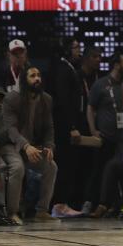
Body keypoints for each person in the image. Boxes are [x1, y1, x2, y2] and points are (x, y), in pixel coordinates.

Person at [0, 67, 59, 225]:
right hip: (10, 143)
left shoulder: (46, 99)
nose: (37, 79)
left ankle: (42, 211)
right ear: (24, 80)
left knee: (51, 167)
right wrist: (26, 146)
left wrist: (49, 146)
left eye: (39, 75)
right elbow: (11, 129)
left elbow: (49, 127)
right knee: (17, 167)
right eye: (32, 76)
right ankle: (12, 212)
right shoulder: (12, 98)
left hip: (31, 145)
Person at [86, 53, 123, 216]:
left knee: (122, 169)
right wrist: (93, 130)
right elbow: (90, 108)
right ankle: (98, 203)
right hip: (105, 137)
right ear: (116, 65)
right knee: (101, 170)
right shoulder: (100, 84)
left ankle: (115, 205)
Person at [49, 38, 87, 218]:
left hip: (69, 125)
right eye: (76, 47)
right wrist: (71, 126)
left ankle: (63, 203)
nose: (80, 50)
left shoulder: (70, 69)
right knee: (64, 165)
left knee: (70, 165)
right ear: (67, 50)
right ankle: (59, 204)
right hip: (64, 128)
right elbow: (64, 102)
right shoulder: (63, 70)